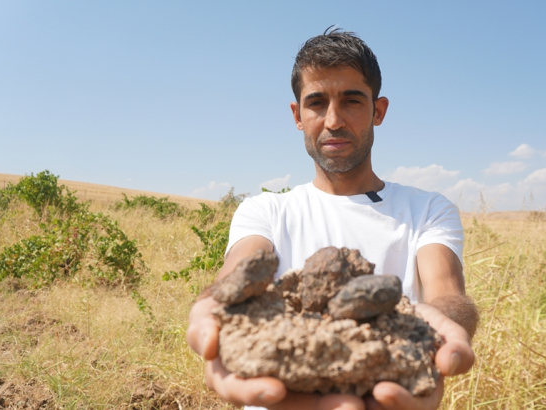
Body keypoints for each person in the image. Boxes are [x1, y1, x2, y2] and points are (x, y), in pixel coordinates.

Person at [187, 27, 478, 410]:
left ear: (378, 110)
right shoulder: (266, 210)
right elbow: (235, 275)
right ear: (297, 115)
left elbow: (446, 294)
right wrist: (214, 305)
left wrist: (434, 327)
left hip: (385, 392)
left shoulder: (426, 210)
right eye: (317, 103)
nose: (334, 120)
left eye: (352, 101)